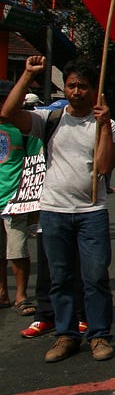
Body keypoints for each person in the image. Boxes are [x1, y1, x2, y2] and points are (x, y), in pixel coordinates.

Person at [0, 56, 115, 363]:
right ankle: (66, 335)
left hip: (92, 213)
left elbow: (105, 167)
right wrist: (27, 75)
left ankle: (99, 335)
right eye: (71, 85)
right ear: (64, 87)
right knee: (61, 278)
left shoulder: (105, 122)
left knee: (95, 278)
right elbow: (8, 112)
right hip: (54, 212)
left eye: (83, 86)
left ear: (94, 90)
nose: (76, 91)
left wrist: (104, 125)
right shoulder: (47, 119)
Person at [0, 80, 35, 316]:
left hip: (15, 199)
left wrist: (31, 202)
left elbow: (35, 164)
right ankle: (2, 293)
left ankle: (21, 295)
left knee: (17, 250)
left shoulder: (25, 128)